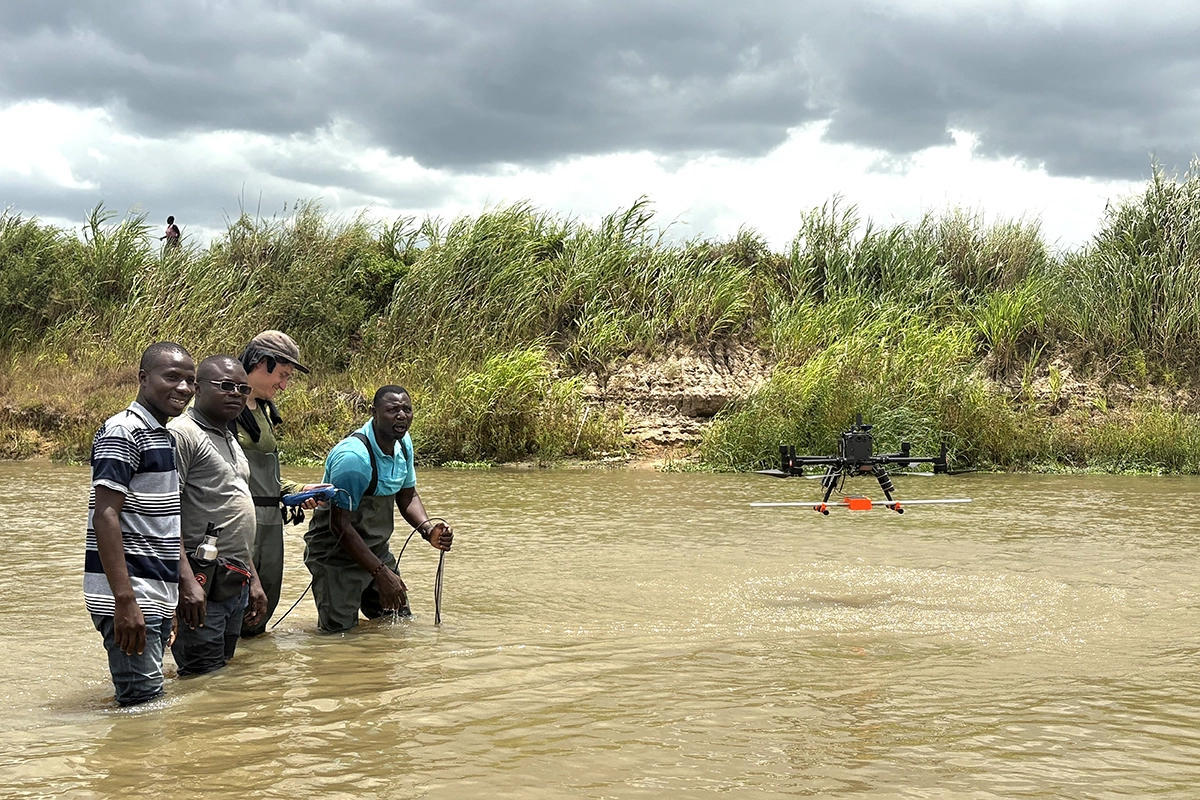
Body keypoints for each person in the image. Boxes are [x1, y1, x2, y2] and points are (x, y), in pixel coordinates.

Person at [85, 341, 195, 706]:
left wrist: (178, 588)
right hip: (132, 596)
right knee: (142, 708)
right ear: (144, 378)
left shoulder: (163, 435)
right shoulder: (123, 431)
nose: (183, 388)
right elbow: (106, 515)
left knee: (145, 701)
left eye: (190, 381)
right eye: (172, 377)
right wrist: (125, 601)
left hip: (155, 595)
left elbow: (165, 521)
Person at [303, 385, 453, 633]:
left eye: (407, 409)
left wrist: (428, 531)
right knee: (338, 636)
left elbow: (407, 496)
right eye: (392, 410)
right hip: (336, 556)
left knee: (397, 622)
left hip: (375, 550)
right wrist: (381, 574)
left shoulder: (402, 444)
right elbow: (339, 525)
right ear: (374, 412)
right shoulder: (353, 458)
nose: (401, 416)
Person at [168, 355, 268, 675]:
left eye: (242, 387)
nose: (236, 393)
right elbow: (164, 513)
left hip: (233, 580)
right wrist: (185, 583)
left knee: (221, 676)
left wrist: (252, 579)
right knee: (201, 678)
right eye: (225, 386)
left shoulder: (229, 437)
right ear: (197, 388)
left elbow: (231, 512)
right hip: (201, 582)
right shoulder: (183, 434)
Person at [230, 330, 328, 637]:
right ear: (261, 362)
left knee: (259, 617)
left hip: (271, 525)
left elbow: (265, 477)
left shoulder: (263, 410)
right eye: (281, 375)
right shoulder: (223, 408)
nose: (284, 385)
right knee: (231, 612)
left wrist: (297, 491)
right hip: (239, 525)